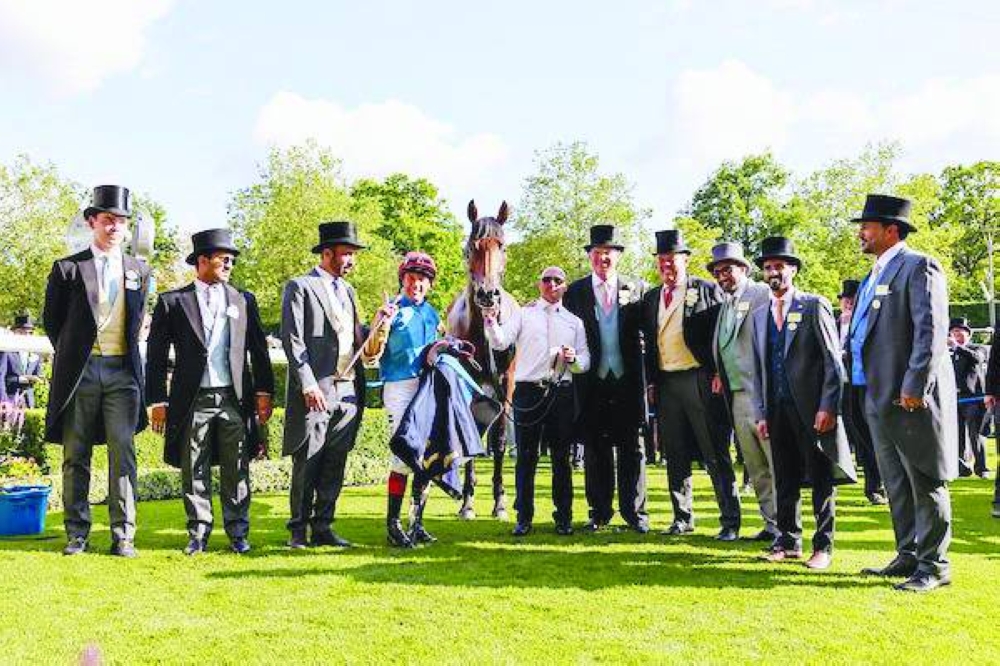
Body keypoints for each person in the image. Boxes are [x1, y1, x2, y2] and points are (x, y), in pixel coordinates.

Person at [849, 194, 957, 592]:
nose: (860, 232)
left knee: (924, 479)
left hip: (908, 397)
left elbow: (931, 331)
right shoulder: (872, 276)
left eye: (867, 225)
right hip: (875, 396)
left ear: (891, 229)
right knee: (895, 481)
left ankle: (934, 566)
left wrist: (915, 384)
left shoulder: (918, 266)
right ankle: (908, 555)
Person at [145, 229, 275, 555]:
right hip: (192, 399)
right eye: (223, 257)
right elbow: (156, 358)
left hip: (234, 397)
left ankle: (238, 532)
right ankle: (198, 532)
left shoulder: (244, 300)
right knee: (194, 467)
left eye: (232, 258)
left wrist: (264, 392)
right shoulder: (172, 302)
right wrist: (157, 400)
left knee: (237, 467)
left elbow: (258, 350)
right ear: (202, 260)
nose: (230, 262)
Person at [43, 185, 152, 557]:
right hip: (82, 372)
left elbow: (137, 321)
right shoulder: (68, 268)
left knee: (124, 452)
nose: (114, 227)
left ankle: (124, 534)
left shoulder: (140, 270)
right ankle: (77, 532)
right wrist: (78, 355)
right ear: (93, 222)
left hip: (123, 372)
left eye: (120, 221)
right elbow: (52, 323)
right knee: (76, 454)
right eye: (107, 220)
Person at [751, 237, 856, 570]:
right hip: (777, 408)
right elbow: (761, 366)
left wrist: (829, 406)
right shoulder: (760, 313)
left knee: (820, 478)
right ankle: (787, 541)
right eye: (768, 268)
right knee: (784, 476)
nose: (773, 273)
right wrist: (762, 412)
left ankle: (823, 546)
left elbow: (832, 361)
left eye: (779, 266)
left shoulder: (813, 305)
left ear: (793, 269)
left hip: (812, 409)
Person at [639, 230, 740, 540]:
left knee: (714, 450)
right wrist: (651, 382)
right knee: (676, 451)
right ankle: (682, 518)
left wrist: (717, 373)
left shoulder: (707, 290)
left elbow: (721, 335)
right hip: (667, 381)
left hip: (699, 377)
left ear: (685, 260)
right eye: (662, 261)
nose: (667, 266)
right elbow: (650, 343)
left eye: (672, 260)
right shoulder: (652, 297)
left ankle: (730, 520)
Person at [485, 266, 590, 536]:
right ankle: (524, 517)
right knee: (526, 457)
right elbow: (499, 342)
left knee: (561, 459)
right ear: (539, 284)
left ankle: (563, 517)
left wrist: (573, 359)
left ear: (565, 286)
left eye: (557, 280)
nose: (551, 284)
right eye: (546, 279)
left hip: (561, 392)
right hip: (528, 391)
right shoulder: (524, 314)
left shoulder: (574, 322)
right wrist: (491, 321)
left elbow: (585, 361)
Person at [281, 221, 368, 549]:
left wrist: (380, 324)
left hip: (348, 389)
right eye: (346, 254)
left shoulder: (349, 292)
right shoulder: (299, 286)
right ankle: (298, 531)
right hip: (316, 389)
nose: (351, 261)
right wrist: (307, 384)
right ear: (327, 253)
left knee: (335, 462)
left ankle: (323, 527)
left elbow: (356, 339)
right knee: (309, 460)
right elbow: (292, 340)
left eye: (353, 255)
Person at [563, 224, 648, 533]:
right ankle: (599, 512)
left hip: (627, 381)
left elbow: (648, 331)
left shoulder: (636, 288)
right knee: (596, 451)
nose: (603, 259)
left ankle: (634, 513)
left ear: (618, 256)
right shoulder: (575, 292)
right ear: (590, 257)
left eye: (609, 253)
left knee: (632, 450)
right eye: (598, 253)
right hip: (592, 382)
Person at [361, 251, 442, 548]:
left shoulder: (433, 314)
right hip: (399, 386)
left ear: (429, 284)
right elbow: (370, 355)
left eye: (422, 279)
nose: (416, 284)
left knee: (425, 457)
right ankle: (393, 524)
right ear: (402, 280)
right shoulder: (391, 310)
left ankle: (416, 522)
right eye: (411, 278)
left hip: (426, 389)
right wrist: (381, 324)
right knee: (403, 454)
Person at [708, 242, 777, 542]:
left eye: (728, 269)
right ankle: (772, 523)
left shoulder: (761, 294)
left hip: (761, 394)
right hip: (735, 395)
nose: (722, 275)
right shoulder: (726, 302)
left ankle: (788, 529)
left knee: (775, 463)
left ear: (745, 269)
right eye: (718, 271)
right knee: (755, 465)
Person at [838, 279, 886, 505]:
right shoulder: (834, 322)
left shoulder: (868, 322)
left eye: (852, 300)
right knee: (857, 437)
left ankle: (877, 486)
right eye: (844, 300)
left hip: (865, 385)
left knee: (872, 437)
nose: (848, 304)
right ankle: (870, 485)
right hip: (841, 389)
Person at [948, 317, 990, 478]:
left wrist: (957, 347)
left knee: (976, 435)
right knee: (956, 435)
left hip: (973, 400)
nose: (956, 335)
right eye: (954, 332)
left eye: (960, 332)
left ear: (968, 334)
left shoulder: (978, 348)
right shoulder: (949, 353)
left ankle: (982, 468)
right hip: (954, 400)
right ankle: (961, 467)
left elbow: (977, 358)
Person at [1, 314, 45, 407]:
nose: (26, 336)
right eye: (22, 332)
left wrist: (38, 379)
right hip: (9, 400)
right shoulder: (6, 352)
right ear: (14, 333)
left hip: (28, 402)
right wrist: (3, 400)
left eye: (29, 333)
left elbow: (39, 376)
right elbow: (1, 378)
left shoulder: (35, 354)